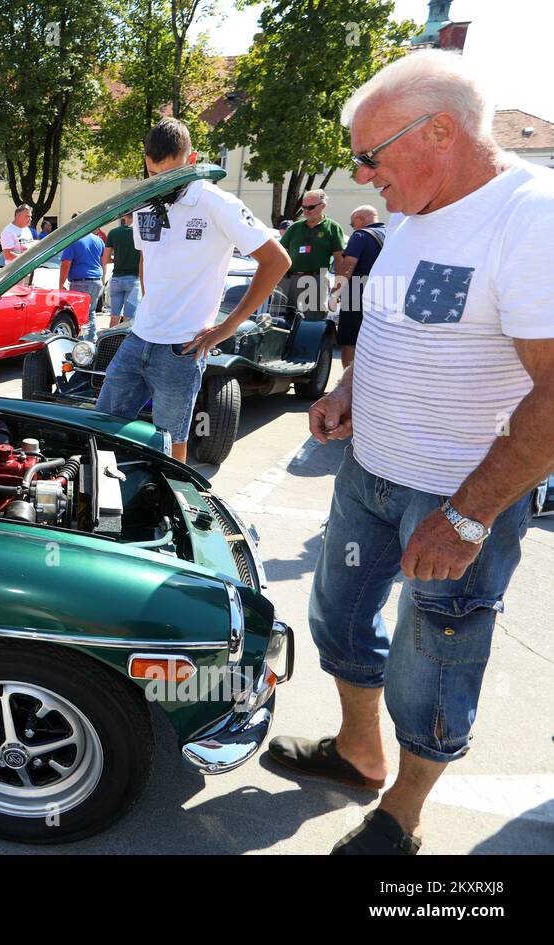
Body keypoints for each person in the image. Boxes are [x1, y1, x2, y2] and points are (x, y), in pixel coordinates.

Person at [265, 51, 554, 856]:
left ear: (440, 131)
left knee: (436, 662)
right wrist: (349, 396)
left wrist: (466, 517)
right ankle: (359, 754)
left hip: (457, 498)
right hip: (371, 474)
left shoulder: (532, 218)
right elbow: (394, 329)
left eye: (371, 154)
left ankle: (405, 811)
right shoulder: (420, 211)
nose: (365, 175)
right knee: (341, 619)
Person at [95, 118, 289, 464]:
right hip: (139, 335)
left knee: (171, 443)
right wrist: (150, 302)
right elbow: (146, 257)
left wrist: (227, 327)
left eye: (172, 175)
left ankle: (170, 509)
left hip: (182, 347)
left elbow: (276, 261)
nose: (163, 184)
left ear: (192, 159)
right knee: (102, 427)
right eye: (155, 174)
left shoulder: (217, 204)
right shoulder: (145, 201)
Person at [329, 204, 386, 366]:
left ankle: (348, 386)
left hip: (357, 295)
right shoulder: (392, 234)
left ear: (360, 219)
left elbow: (348, 265)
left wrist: (335, 293)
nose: (353, 228)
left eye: (352, 224)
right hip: (387, 294)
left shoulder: (360, 235)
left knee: (350, 341)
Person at [279, 190, 345, 318]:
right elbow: (280, 254)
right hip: (289, 280)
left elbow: (339, 259)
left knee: (313, 322)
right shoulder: (294, 227)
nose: (306, 211)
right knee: (283, 321)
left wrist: (337, 288)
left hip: (316, 280)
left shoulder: (332, 228)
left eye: (311, 207)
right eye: (304, 207)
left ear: (323, 206)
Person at [58, 227, 105, 341]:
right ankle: (91, 342)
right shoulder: (98, 240)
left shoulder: (74, 240)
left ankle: (81, 345)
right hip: (96, 281)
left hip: (80, 282)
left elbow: (66, 264)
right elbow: (103, 260)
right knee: (91, 312)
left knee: (80, 314)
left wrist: (60, 284)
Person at [103, 212, 141, 326]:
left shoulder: (113, 233)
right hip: (134, 279)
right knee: (128, 318)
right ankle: (124, 342)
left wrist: (116, 259)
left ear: (124, 216)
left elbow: (105, 259)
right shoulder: (139, 233)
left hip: (116, 279)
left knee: (114, 315)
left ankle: (110, 341)